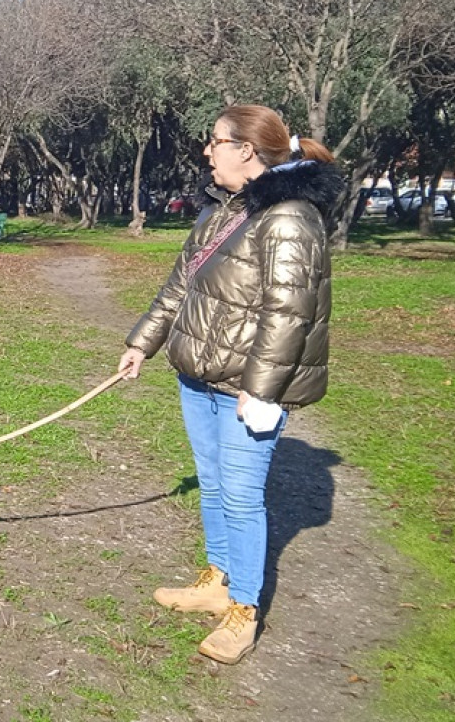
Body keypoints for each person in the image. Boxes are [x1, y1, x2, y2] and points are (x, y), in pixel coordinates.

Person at [118, 104, 343, 665]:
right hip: (198, 377)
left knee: (242, 499)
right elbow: (180, 285)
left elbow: (289, 314)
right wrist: (141, 343)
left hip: (245, 388)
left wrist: (262, 389)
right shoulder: (223, 210)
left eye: (214, 141)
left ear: (246, 149)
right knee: (215, 486)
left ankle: (244, 608)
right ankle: (217, 579)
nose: (206, 151)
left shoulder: (289, 217)